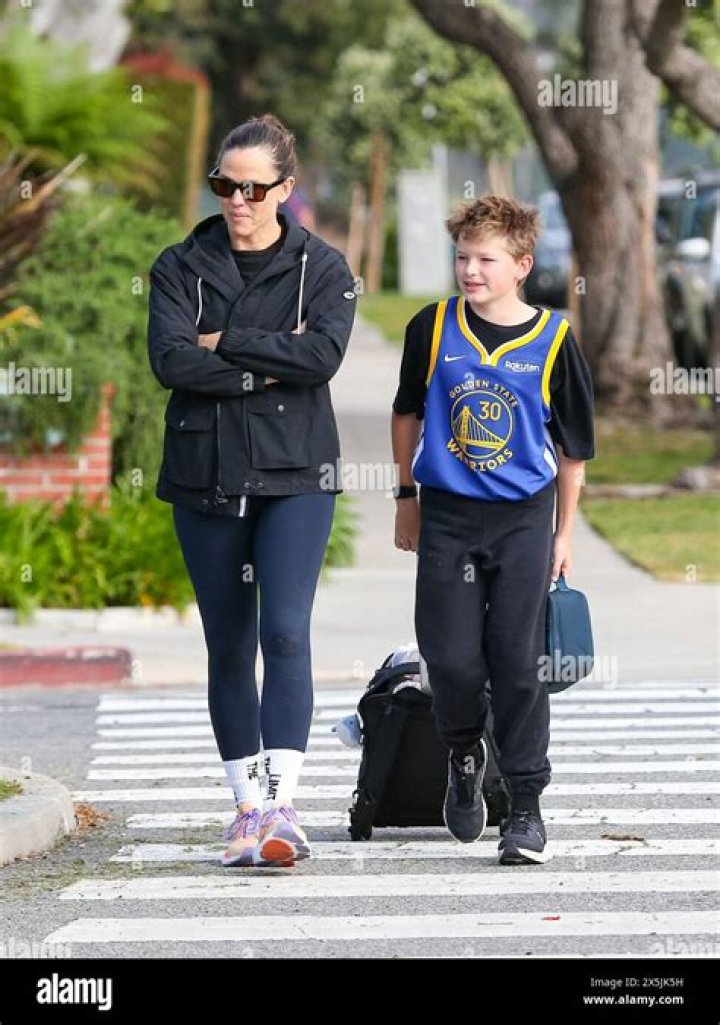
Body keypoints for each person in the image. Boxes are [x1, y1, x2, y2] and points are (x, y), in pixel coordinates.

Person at [147, 114, 357, 868]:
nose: (237, 200)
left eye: (254, 188)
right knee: (229, 642)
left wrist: (225, 344)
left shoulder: (322, 268)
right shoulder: (180, 265)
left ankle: (282, 806)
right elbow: (171, 361)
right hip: (205, 473)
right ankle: (244, 811)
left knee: (287, 633)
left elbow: (322, 357)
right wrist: (268, 367)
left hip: (296, 473)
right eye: (224, 185)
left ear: (285, 189)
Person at [391, 195, 594, 865]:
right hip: (448, 512)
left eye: (486, 259)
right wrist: (406, 497)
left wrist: (564, 535)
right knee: (449, 656)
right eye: (462, 257)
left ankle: (527, 806)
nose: (470, 271)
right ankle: (463, 753)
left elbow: (573, 452)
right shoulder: (433, 327)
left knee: (519, 664)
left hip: (523, 517)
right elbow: (406, 413)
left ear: (522, 265)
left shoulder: (555, 340)